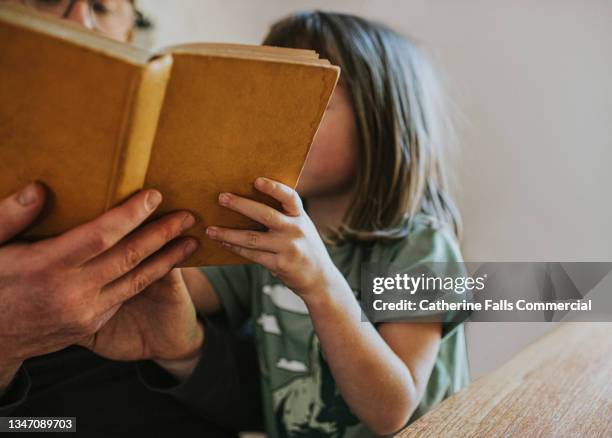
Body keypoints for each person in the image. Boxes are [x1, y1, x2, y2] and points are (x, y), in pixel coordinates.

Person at [178, 11, 471, 438]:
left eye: (305, 101)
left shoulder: (423, 248)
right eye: (265, 101)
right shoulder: (270, 230)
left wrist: (320, 284)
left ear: (380, 119)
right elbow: (187, 290)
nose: (272, 123)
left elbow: (391, 411)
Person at [0, 1, 261, 436]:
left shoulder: (189, 170)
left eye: (103, 6)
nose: (82, 23)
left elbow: (275, 412)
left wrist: (185, 351)